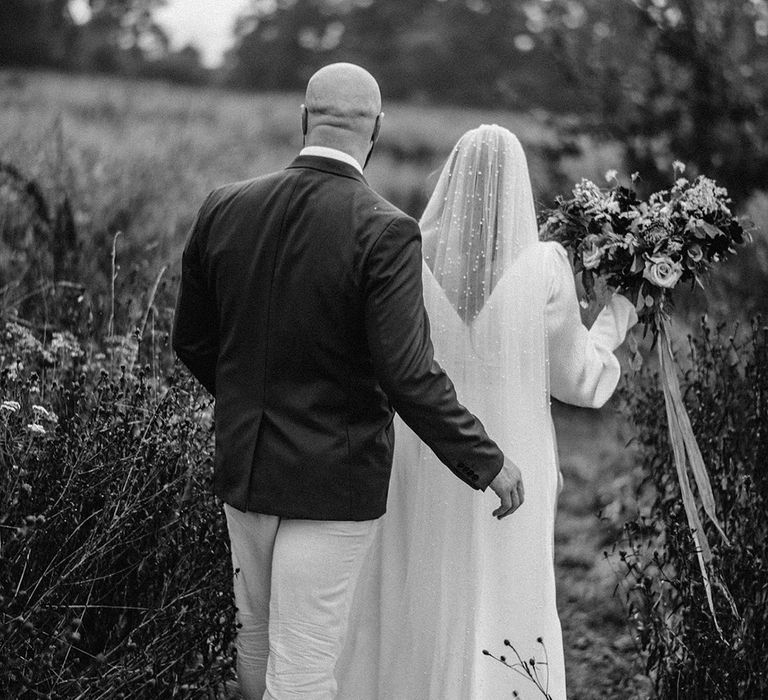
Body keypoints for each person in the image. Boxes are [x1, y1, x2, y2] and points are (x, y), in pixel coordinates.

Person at [172, 67, 524, 699]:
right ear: (377, 129)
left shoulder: (224, 205)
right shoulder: (385, 229)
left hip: (244, 468)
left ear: (305, 118)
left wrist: (252, 404)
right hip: (332, 480)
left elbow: (192, 342)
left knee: (254, 639)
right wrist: (486, 458)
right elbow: (408, 373)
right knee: (304, 663)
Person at [336, 124, 639, 699]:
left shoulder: (409, 255)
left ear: (453, 180)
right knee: (506, 590)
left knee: (413, 584)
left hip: (422, 450)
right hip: (510, 461)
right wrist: (618, 312)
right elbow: (581, 380)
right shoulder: (545, 266)